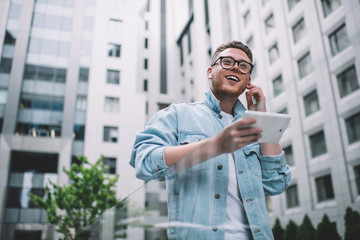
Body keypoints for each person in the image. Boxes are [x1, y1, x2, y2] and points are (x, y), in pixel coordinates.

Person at [130, 40, 291, 240]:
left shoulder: (252, 126)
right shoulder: (178, 115)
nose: (235, 67)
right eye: (227, 61)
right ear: (209, 71)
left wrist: (262, 116)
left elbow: (276, 184)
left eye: (243, 66)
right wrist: (215, 145)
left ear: (248, 79)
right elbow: (143, 161)